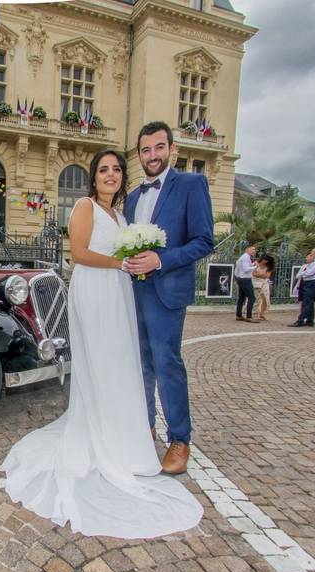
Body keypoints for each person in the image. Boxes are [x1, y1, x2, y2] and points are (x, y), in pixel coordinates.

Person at [0, 148, 203, 539]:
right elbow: (77, 254)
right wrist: (119, 264)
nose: (109, 175)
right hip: (94, 291)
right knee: (102, 363)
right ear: (93, 178)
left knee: (119, 365)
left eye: (115, 170)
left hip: (118, 292)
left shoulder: (122, 216)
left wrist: (128, 265)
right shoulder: (85, 206)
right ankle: (100, 436)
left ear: (121, 178)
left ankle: (122, 435)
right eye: (102, 170)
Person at [124, 121, 214, 474]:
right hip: (135, 291)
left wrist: (161, 259)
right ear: (139, 155)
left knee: (167, 363)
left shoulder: (191, 185)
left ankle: (179, 439)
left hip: (167, 292)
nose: (152, 156)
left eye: (159, 148)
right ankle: (145, 427)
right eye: (146, 150)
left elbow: (203, 241)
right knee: (140, 364)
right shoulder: (132, 198)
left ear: (171, 149)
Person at [288, 248, 315, 327]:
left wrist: (302, 274)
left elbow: (310, 272)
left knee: (307, 302)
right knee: (310, 302)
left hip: (312, 282)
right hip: (310, 282)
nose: (311, 254)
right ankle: (310, 320)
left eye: (312, 253)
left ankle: (301, 320)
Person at [234, 244, 258, 323]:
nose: (254, 251)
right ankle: (249, 316)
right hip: (245, 279)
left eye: (254, 249)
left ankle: (239, 315)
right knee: (252, 297)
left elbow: (240, 266)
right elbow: (246, 269)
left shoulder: (245, 257)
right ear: (247, 249)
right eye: (252, 249)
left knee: (241, 298)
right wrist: (255, 267)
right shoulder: (245, 257)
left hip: (241, 278)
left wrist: (252, 264)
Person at [252, 255, 275, 321]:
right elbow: (254, 274)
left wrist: (259, 274)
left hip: (264, 283)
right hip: (256, 283)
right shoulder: (255, 264)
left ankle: (262, 313)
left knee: (266, 298)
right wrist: (261, 275)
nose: (265, 261)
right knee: (257, 298)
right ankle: (255, 314)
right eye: (264, 259)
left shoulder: (268, 267)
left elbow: (267, 276)